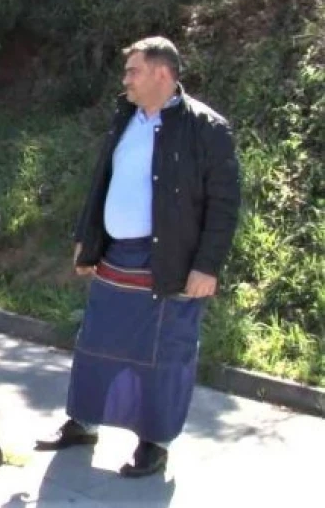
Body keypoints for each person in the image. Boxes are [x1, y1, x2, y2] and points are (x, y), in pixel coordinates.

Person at [35, 36, 241, 478]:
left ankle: (154, 443)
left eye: (133, 71)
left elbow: (224, 205)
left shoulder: (206, 127)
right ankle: (83, 423)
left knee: (163, 355)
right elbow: (103, 181)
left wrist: (207, 266)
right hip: (116, 257)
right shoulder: (125, 117)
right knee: (96, 346)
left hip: (171, 262)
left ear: (162, 74)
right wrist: (88, 239)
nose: (125, 79)